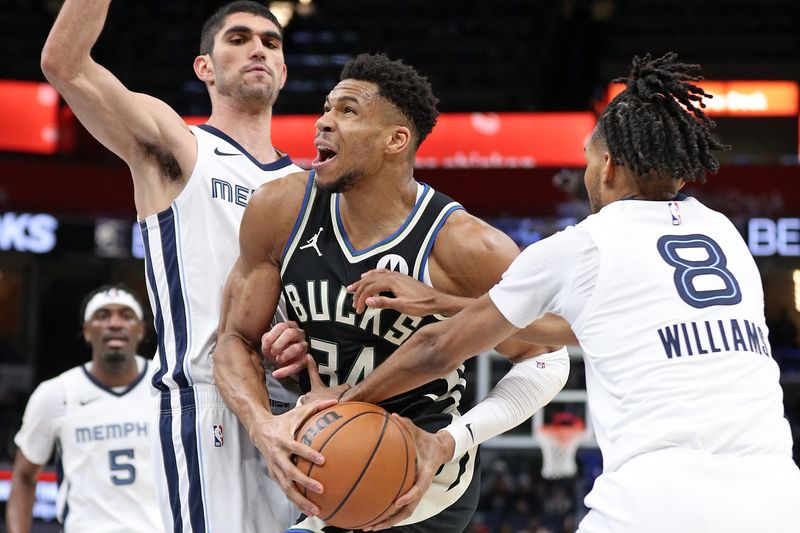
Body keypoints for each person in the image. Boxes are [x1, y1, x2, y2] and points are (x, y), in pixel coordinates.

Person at [340, 53, 800, 532]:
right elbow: (606, 331)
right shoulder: (724, 234)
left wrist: (345, 404)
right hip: (779, 498)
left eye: (585, 160)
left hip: (657, 501)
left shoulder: (581, 246)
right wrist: (443, 301)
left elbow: (437, 349)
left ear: (607, 166)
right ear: (680, 172)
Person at [215, 52, 570, 532]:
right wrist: (263, 423)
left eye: (347, 111)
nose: (323, 122)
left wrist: (455, 439)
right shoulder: (279, 209)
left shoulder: (464, 245)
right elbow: (233, 339)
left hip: (417, 473)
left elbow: (547, 355)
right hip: (321, 454)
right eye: (326, 108)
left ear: (395, 140)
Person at [40, 2, 319, 531]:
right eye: (238, 38)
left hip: (301, 412)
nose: (258, 47)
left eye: (270, 42)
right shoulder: (183, 149)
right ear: (205, 68)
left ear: (283, 72)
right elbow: (65, 64)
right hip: (210, 402)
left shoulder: (307, 190)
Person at [5, 285, 160, 533]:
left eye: (126, 315)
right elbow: (24, 477)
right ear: (87, 332)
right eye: (102, 315)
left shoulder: (166, 384)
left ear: (141, 330)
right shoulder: (56, 393)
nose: (115, 323)